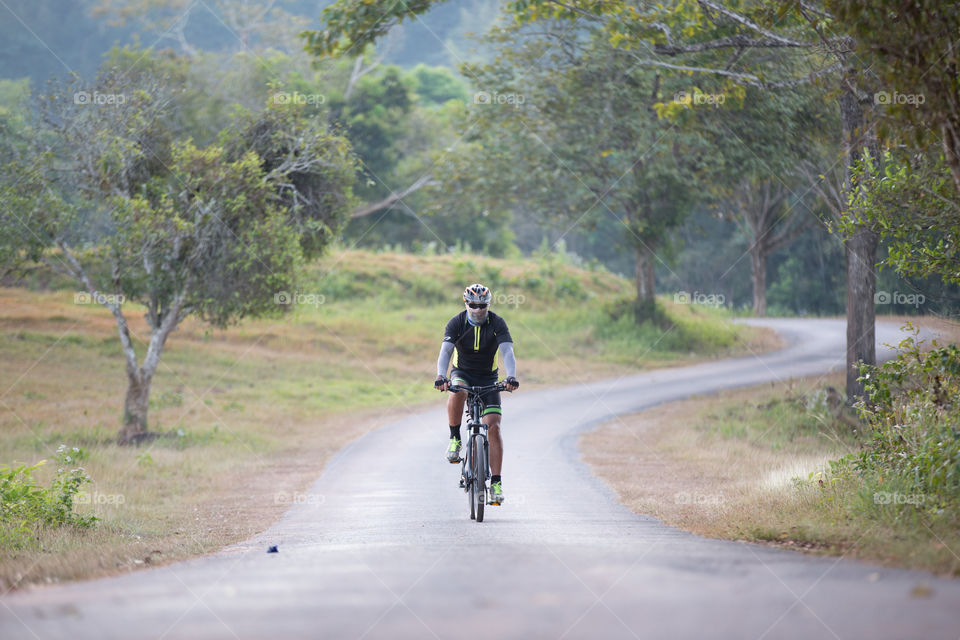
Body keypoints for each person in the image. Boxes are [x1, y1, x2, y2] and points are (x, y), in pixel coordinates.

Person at [434, 283, 519, 505]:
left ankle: (497, 483)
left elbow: (507, 351)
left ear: (488, 305)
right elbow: (445, 351)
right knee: (458, 389)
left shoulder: (497, 323)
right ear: (466, 304)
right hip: (462, 372)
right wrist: (441, 376)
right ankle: (455, 439)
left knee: (494, 427)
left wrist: (511, 377)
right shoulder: (456, 322)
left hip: (488, 378)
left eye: (482, 305)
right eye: (473, 305)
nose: (478, 309)